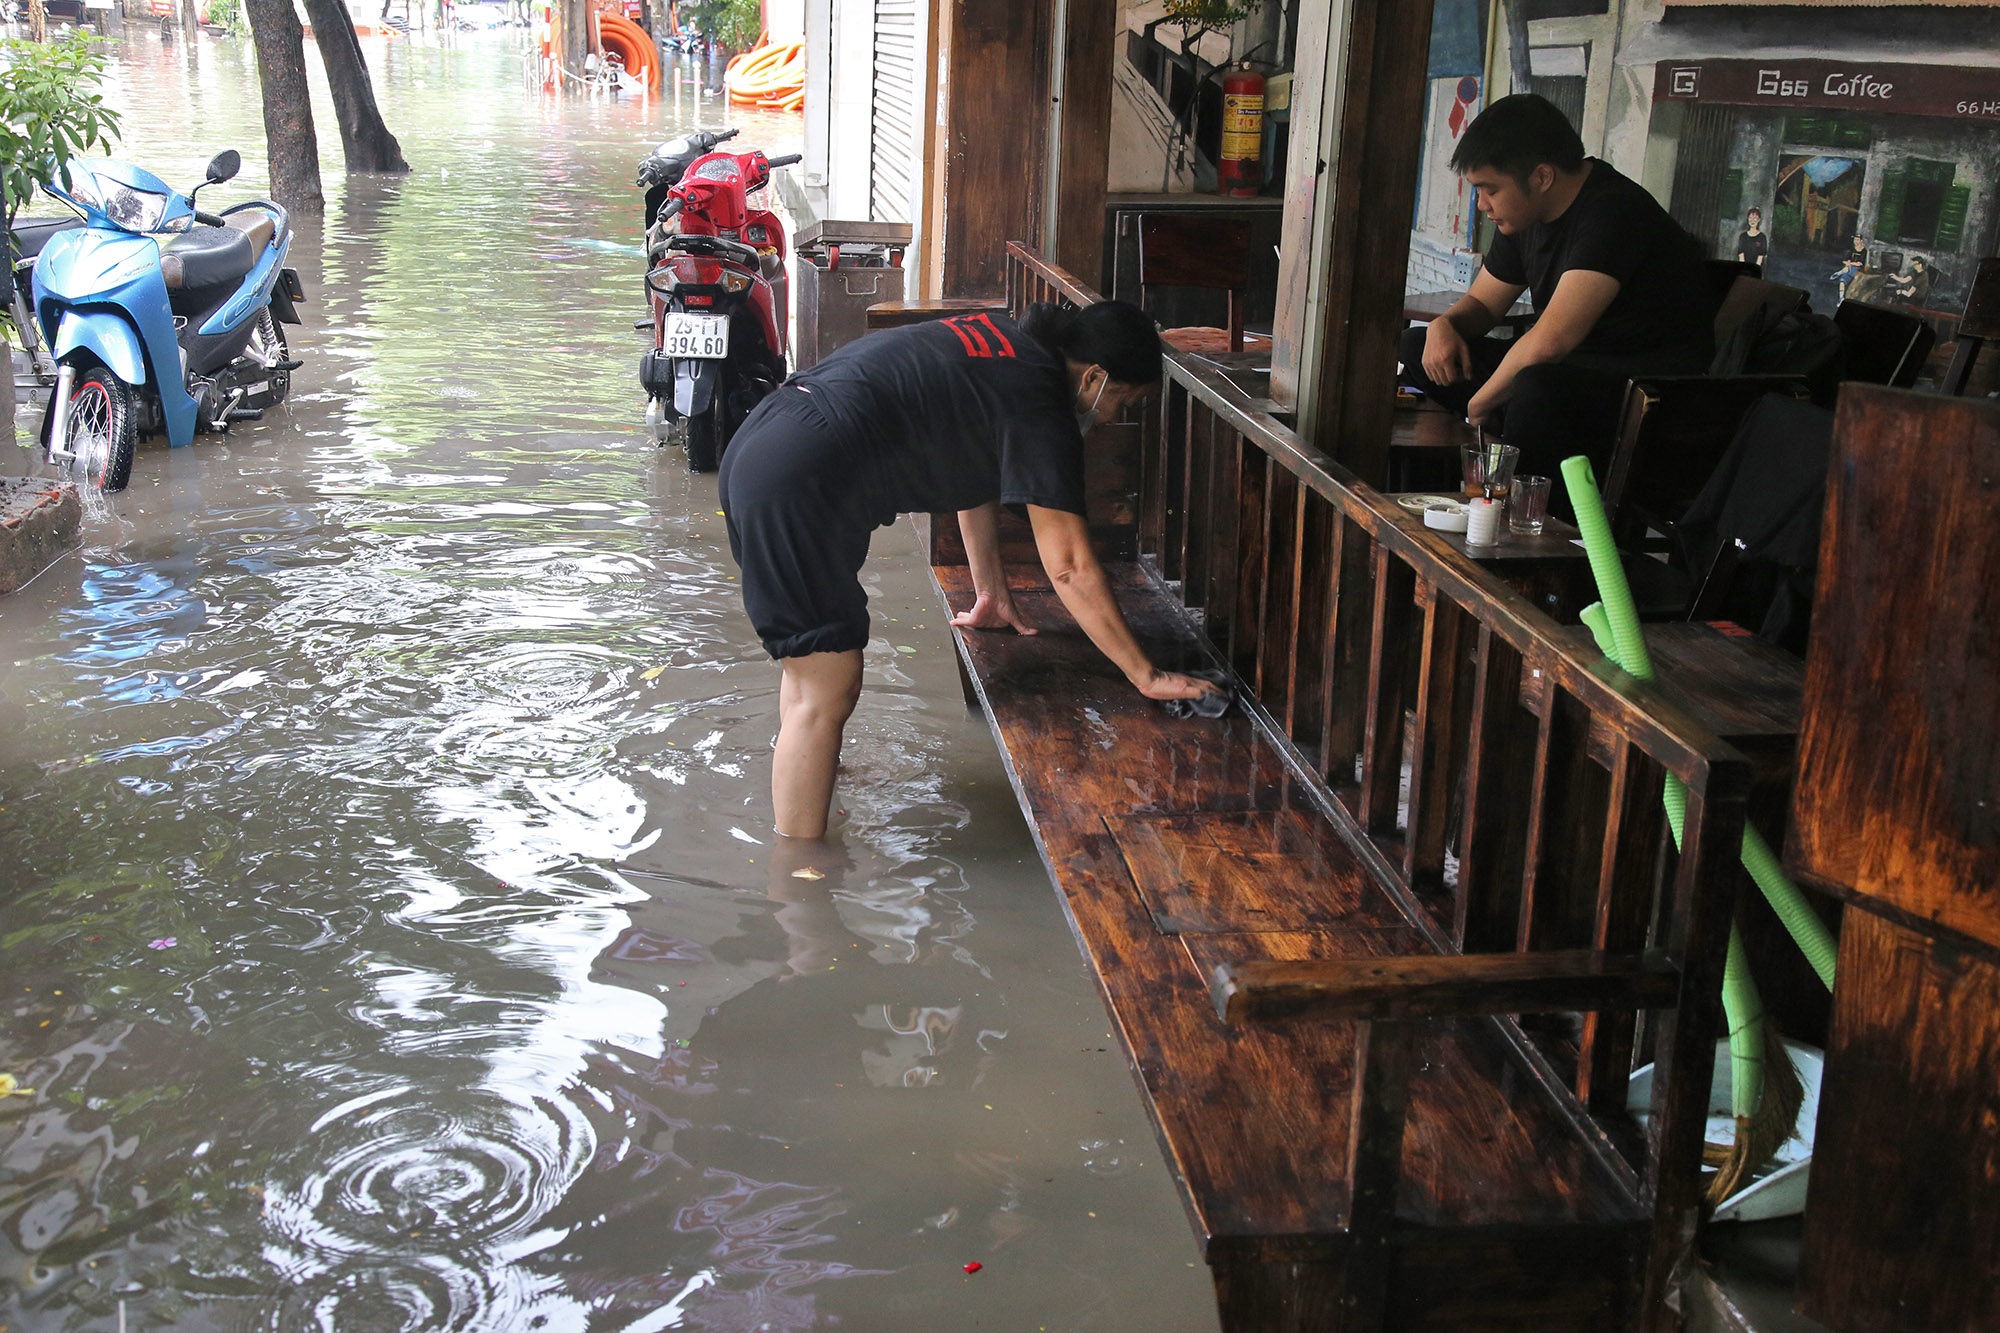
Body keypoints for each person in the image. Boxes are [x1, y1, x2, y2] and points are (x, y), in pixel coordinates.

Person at [718, 300, 1222, 841]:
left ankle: (811, 785)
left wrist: (991, 593)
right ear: (1096, 375)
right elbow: (1071, 567)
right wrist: (1146, 675)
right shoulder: (1040, 403)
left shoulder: (1008, 347)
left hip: (768, 442)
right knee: (827, 686)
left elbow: (970, 476)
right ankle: (802, 879)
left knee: (811, 672)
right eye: (1123, 399)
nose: (1114, 417)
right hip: (801, 475)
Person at [1397, 94, 1713, 483]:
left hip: (1642, 392)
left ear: (1542, 177)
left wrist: (1479, 404)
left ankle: (1527, 517)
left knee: (1534, 386)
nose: (1482, 204)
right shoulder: (1525, 215)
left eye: (1490, 190)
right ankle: (1450, 494)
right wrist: (1446, 325)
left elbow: (1552, 341)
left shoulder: (1614, 212)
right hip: (1564, 376)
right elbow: (1483, 304)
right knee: (1417, 348)